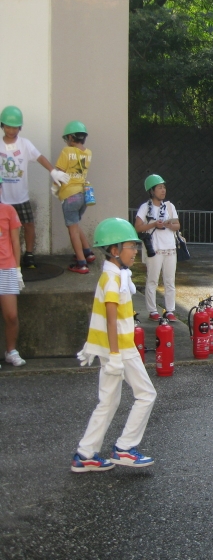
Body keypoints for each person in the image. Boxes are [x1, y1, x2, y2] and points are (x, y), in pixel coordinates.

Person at [71, 218, 157, 473]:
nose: (136, 251)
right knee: (146, 394)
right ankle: (125, 448)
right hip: (120, 348)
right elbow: (110, 318)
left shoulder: (115, 274)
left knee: (107, 402)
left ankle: (85, 454)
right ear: (115, 250)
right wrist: (116, 355)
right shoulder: (113, 279)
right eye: (132, 246)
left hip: (111, 348)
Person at [0, 105, 70, 269]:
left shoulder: (24, 144)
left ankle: (29, 254)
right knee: (5, 228)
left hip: (21, 196)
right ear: (2, 125)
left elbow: (39, 157)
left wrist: (53, 171)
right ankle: (7, 257)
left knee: (28, 224)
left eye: (15, 126)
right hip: (3, 198)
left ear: (20, 127)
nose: (11, 130)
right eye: (8, 126)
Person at [134, 174, 180, 322]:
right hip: (154, 248)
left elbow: (178, 225)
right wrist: (154, 224)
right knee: (152, 280)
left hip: (170, 248)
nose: (163, 190)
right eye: (159, 187)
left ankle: (170, 310)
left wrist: (169, 225)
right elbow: (138, 227)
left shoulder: (170, 206)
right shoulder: (145, 207)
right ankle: (152, 310)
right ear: (152, 191)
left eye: (164, 187)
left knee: (170, 281)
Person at [54, 121, 94, 274]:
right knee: (75, 225)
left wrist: (54, 188)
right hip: (83, 194)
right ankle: (88, 253)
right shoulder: (88, 153)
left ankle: (81, 263)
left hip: (70, 195)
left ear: (71, 137)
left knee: (72, 230)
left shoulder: (66, 151)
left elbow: (58, 174)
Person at [0, 176, 26, 368]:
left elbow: (16, 241)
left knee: (11, 315)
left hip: (7, 268)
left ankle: (11, 351)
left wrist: (17, 270)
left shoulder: (8, 210)